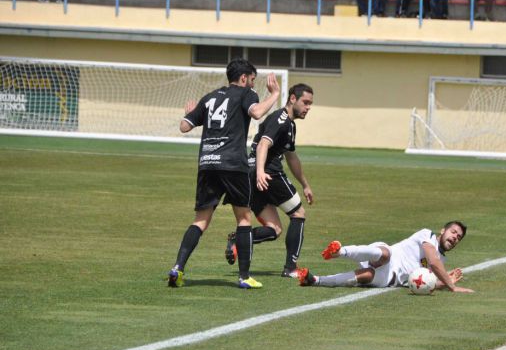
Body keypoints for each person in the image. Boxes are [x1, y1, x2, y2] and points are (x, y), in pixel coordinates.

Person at [168, 58, 280, 289]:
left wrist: (189, 114)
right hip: (232, 164)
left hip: (207, 163)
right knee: (243, 218)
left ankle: (177, 268)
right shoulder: (245, 94)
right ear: (243, 78)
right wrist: (275, 94)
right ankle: (244, 276)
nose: (252, 84)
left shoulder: (209, 97)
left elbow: (184, 126)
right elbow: (257, 113)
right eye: (251, 79)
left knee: (200, 221)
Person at [224, 83, 314, 278]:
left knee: (274, 229)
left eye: (310, 104)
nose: (308, 107)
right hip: (267, 173)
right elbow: (263, 144)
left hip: (254, 174)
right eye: (305, 102)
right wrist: (260, 172)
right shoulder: (281, 119)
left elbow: (292, 157)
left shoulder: (290, 125)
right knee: (298, 214)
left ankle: (237, 240)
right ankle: (291, 267)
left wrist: (305, 184)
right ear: (292, 99)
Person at [296, 221, 474, 293]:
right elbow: (433, 262)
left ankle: (315, 280)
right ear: (443, 231)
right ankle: (340, 251)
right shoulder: (427, 235)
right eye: (453, 232)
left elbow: (430, 282)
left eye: (458, 237)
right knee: (384, 253)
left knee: (365, 276)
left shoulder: (442, 262)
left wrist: (445, 282)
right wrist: (452, 287)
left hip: (391, 278)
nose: (454, 237)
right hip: (391, 257)